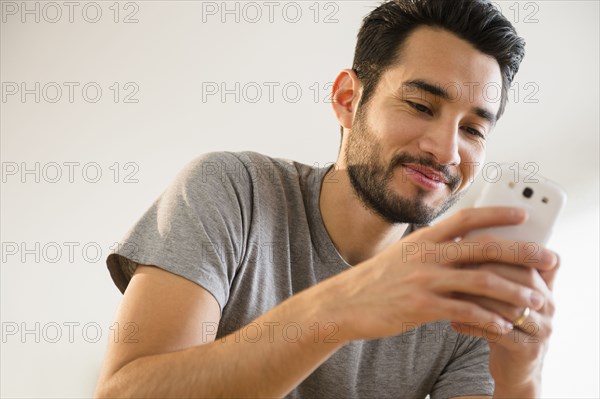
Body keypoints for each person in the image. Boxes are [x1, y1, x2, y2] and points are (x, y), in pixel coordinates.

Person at [95, 0, 560, 397]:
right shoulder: (233, 191)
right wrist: (342, 306)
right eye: (420, 106)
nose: (445, 149)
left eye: (473, 129)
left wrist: (520, 380)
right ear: (346, 99)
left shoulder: (464, 294)